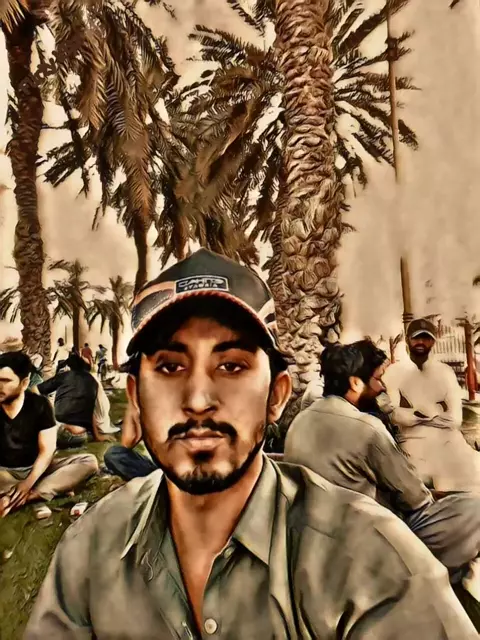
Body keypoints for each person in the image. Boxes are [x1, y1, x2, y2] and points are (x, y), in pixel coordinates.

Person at [26, 249, 477, 638]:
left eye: (231, 366)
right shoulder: (91, 547)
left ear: (277, 396)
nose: (198, 400)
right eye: (169, 367)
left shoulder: (371, 562)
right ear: (137, 398)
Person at [285, 340, 480, 599]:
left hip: (317, 543)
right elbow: (416, 500)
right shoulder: (365, 427)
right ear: (355, 383)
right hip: (367, 547)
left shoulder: (301, 421)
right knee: (473, 509)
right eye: (377, 379)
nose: (381, 387)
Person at [382, 317, 480, 492]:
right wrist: (438, 409)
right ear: (408, 339)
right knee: (433, 482)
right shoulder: (393, 373)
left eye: (426, 338)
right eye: (416, 337)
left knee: (472, 477)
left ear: (433, 341)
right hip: (413, 442)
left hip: (449, 439)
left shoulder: (445, 372)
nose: (421, 342)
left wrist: (415, 413)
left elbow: (455, 419)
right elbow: (394, 415)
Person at [0, 351, 98, 518]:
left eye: (6, 381)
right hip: (5, 473)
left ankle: (28, 496)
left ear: (24, 383)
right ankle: (51, 489)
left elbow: (47, 451)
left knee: (89, 462)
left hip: (38, 469)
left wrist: (27, 484)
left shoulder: (40, 405)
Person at [37, 354, 115, 447]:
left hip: (61, 431)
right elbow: (90, 413)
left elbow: (39, 389)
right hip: (81, 436)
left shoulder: (65, 376)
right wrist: (97, 436)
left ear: (69, 367)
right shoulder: (92, 381)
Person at [104, 403, 158, 481]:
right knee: (113, 455)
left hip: (169, 471)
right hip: (155, 470)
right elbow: (126, 444)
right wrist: (132, 409)